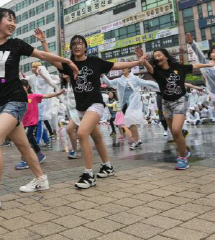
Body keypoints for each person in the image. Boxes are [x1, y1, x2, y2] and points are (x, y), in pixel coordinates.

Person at [0, 0, 79, 215]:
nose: (13, 23)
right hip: (1, 103)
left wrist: (65, 59)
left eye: (15, 20)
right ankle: (41, 179)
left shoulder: (17, 44)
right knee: (22, 144)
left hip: (17, 101)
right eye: (9, 19)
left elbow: (42, 56)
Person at [52, 36, 145, 188]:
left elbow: (116, 65)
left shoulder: (95, 61)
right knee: (97, 137)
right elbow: (53, 60)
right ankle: (107, 166)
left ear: (85, 47)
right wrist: (43, 42)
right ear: (71, 48)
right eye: (74, 44)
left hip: (95, 104)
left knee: (82, 134)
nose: (77, 46)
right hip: (81, 108)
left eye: (80, 44)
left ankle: (89, 175)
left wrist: (137, 62)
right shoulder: (70, 64)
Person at [136, 45, 215, 169]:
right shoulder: (156, 71)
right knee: (174, 132)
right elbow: (149, 67)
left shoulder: (178, 67)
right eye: (155, 56)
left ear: (166, 56)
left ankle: (183, 159)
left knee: (177, 130)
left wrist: (209, 65)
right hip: (166, 103)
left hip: (180, 101)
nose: (157, 58)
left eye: (159, 55)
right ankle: (185, 149)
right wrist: (142, 59)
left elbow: (195, 66)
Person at [101, 67, 159, 150]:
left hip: (133, 104)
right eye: (122, 68)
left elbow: (146, 83)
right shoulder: (119, 80)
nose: (123, 69)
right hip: (124, 104)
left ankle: (136, 141)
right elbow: (109, 83)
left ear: (129, 69)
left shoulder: (135, 79)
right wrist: (103, 75)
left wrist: (160, 85)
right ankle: (137, 140)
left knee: (131, 122)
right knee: (130, 123)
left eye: (125, 68)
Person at [15, 79, 65, 169]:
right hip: (24, 123)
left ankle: (25, 160)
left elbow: (47, 95)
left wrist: (57, 93)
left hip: (32, 122)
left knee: (25, 140)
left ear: (27, 87)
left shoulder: (33, 96)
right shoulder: (18, 99)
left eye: (23, 87)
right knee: (32, 140)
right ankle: (40, 155)